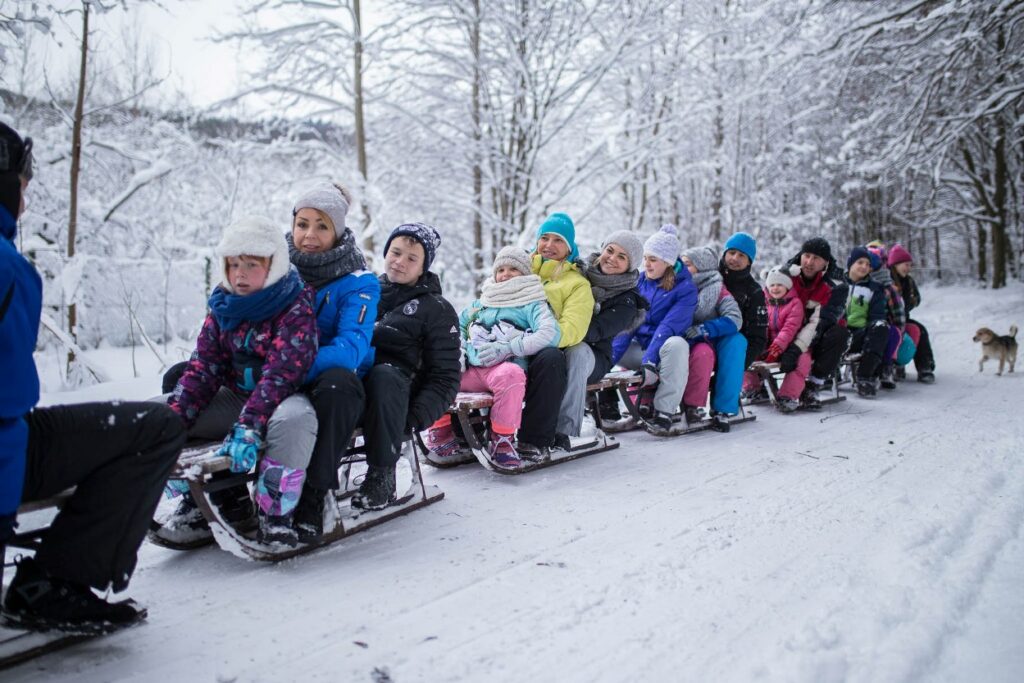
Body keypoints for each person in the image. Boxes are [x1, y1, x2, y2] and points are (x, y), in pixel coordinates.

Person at [1, 122, 186, 633]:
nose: (26, 196)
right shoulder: (7, 267)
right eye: (23, 183)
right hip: (5, 448)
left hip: (13, 437)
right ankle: (56, 581)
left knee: (161, 416)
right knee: (157, 426)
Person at [163, 215, 320, 546]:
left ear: (273, 264)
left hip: (285, 400)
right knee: (159, 413)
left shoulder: (293, 304)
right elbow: (203, 367)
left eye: (251, 264)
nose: (240, 274)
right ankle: (210, 499)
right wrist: (175, 419)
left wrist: (249, 424)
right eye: (233, 264)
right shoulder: (223, 306)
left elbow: (281, 375)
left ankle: (275, 513)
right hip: (237, 397)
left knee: (295, 422)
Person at [286, 183, 379, 541]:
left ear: (338, 231)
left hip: (334, 379)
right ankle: (221, 493)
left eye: (322, 226)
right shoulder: (273, 269)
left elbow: (350, 350)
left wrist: (286, 367)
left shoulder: (359, 282)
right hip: (279, 373)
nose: (309, 235)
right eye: (303, 223)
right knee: (184, 377)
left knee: (338, 385)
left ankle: (314, 494)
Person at [426, 247, 560, 470]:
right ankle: (440, 431)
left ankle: (503, 440)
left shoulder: (532, 303)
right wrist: (459, 351)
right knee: (437, 369)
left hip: (502, 368)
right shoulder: (483, 302)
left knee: (512, 376)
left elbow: (550, 334)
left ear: (525, 273)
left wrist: (509, 347)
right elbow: (455, 324)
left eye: (513, 269)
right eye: (501, 269)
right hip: (471, 366)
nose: (505, 274)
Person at [357, 223, 460, 508]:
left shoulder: (437, 309)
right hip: (356, 386)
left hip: (398, 394)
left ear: (424, 266)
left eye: (411, 258)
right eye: (395, 252)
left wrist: (413, 418)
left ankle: (381, 474)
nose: (400, 262)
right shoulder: (364, 293)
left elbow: (446, 375)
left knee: (383, 374)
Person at [609, 224, 698, 436]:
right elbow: (628, 324)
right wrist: (607, 358)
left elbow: (669, 327)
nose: (646, 264)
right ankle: (622, 406)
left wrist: (650, 360)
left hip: (666, 354)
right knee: (605, 347)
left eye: (653, 259)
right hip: (641, 349)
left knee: (677, 344)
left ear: (667, 262)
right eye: (645, 258)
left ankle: (664, 412)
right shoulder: (639, 281)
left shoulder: (685, 289)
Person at [520, 213, 595, 457]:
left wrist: (534, 341)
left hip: (549, 348)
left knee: (553, 358)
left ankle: (551, 434)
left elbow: (573, 328)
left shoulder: (576, 284)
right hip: (511, 341)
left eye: (558, 240)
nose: (549, 245)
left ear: (569, 247)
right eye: (544, 238)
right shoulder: (519, 271)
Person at [563, 231, 648, 426]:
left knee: (577, 352)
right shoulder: (579, 273)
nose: (612, 258)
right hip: (560, 341)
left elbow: (596, 331)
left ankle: (564, 429)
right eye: (610, 250)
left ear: (630, 265)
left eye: (622, 257)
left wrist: (556, 330)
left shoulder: (628, 300)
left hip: (595, 356)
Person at [679, 246, 747, 432]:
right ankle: (688, 405)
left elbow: (734, 318)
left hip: (711, 339)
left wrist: (705, 328)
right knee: (702, 353)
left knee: (735, 343)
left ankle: (721, 409)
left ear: (702, 268)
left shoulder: (718, 290)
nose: (682, 269)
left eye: (687, 265)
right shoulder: (676, 284)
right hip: (683, 339)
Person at [784, 238, 851, 408]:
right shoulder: (785, 275)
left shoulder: (838, 284)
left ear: (825, 263)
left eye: (816, 258)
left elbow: (826, 319)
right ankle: (757, 384)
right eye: (806, 256)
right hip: (787, 329)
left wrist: (799, 344)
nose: (809, 262)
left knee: (839, 333)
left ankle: (813, 384)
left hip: (819, 334)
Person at [741, 266, 816, 413]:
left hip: (791, 345)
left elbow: (790, 328)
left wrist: (778, 347)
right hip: (768, 345)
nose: (775, 288)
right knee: (744, 352)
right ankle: (752, 388)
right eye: (772, 285)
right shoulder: (763, 302)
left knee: (803, 361)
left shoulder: (795, 304)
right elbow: (761, 326)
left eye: (780, 284)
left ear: (787, 286)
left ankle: (788, 395)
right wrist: (762, 345)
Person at [843, 246, 889, 398]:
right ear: (850, 263)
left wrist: (874, 326)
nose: (864, 266)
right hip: (837, 334)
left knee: (881, 326)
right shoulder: (837, 284)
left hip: (860, 336)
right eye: (860, 262)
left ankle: (865, 377)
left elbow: (877, 315)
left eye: (868, 264)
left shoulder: (875, 288)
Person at [887, 244, 935, 383]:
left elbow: (916, 298)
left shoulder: (908, 281)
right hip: (889, 319)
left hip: (904, 318)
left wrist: (912, 301)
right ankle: (897, 365)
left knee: (920, 331)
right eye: (905, 264)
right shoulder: (888, 279)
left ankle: (925, 367)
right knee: (904, 333)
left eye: (909, 265)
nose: (908, 268)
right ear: (895, 264)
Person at [720, 232, 768, 371]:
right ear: (725, 254)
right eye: (732, 252)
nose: (735, 258)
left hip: (732, 351)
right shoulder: (711, 278)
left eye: (741, 255)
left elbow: (758, 337)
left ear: (749, 261)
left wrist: (737, 367)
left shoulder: (754, 291)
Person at [866, 241, 906, 390]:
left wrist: (900, 329)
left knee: (891, 334)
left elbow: (898, 312)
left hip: (884, 325)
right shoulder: (856, 284)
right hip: (860, 325)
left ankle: (886, 367)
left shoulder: (887, 288)